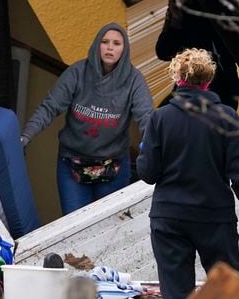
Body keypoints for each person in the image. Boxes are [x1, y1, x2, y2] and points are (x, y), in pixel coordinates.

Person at [137, 48, 239, 299]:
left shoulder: (160, 118)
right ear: (208, 81)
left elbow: (148, 174)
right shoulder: (226, 116)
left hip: (169, 218)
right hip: (215, 219)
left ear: (177, 80)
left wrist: (146, 149)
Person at [20, 23, 154, 216]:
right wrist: (26, 136)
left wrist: (153, 147)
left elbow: (146, 117)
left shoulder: (134, 80)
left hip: (113, 167)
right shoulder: (77, 73)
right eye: (105, 42)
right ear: (97, 45)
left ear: (124, 49)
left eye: (116, 43)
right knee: (74, 225)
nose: (110, 47)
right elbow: (50, 107)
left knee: (110, 225)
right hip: (72, 165)